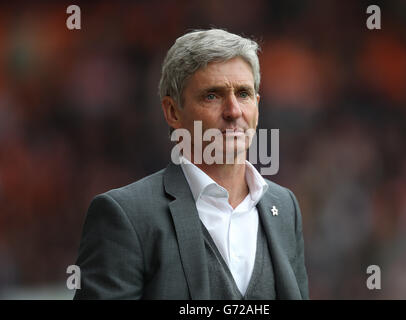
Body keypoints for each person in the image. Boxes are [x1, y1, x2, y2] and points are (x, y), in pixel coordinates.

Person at [74, 29, 309, 300]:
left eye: (243, 94)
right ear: (173, 111)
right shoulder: (126, 216)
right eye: (212, 95)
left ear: (257, 105)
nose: (233, 111)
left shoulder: (284, 206)